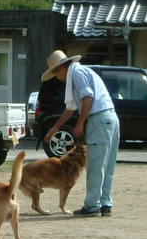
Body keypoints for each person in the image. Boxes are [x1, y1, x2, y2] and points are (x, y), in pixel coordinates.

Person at [42, 50, 120, 217]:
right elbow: (70, 108)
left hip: (98, 118)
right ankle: (105, 203)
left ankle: (92, 205)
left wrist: (80, 123)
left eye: (55, 73)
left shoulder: (76, 73)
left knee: (95, 164)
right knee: (107, 165)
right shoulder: (80, 71)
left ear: (60, 69)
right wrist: (56, 127)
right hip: (110, 117)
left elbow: (87, 98)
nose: (56, 77)